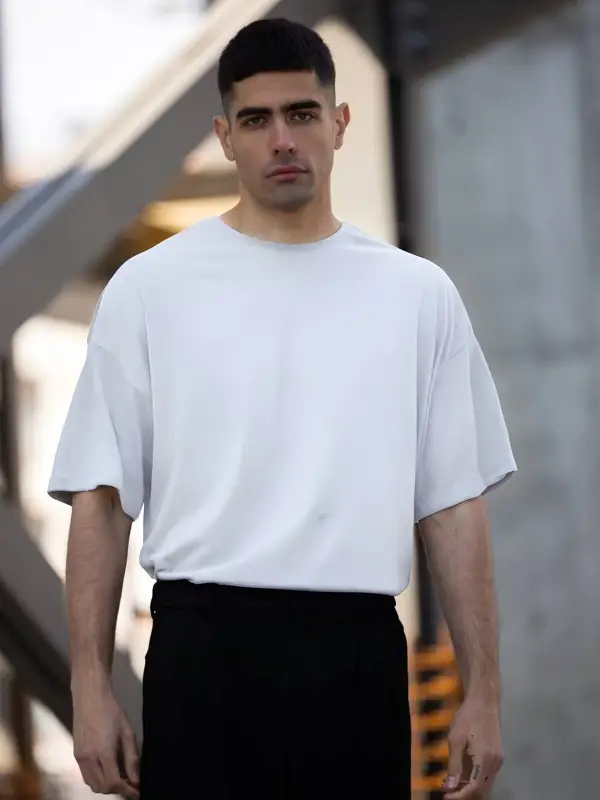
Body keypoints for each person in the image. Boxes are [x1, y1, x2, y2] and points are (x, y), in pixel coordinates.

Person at [48, 17, 516, 800]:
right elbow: (100, 500)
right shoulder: (150, 290)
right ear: (225, 137)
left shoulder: (416, 295)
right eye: (258, 120)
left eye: (302, 113)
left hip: (356, 655)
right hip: (202, 654)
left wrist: (484, 692)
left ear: (340, 122)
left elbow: (453, 507)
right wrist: (89, 689)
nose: (283, 139)